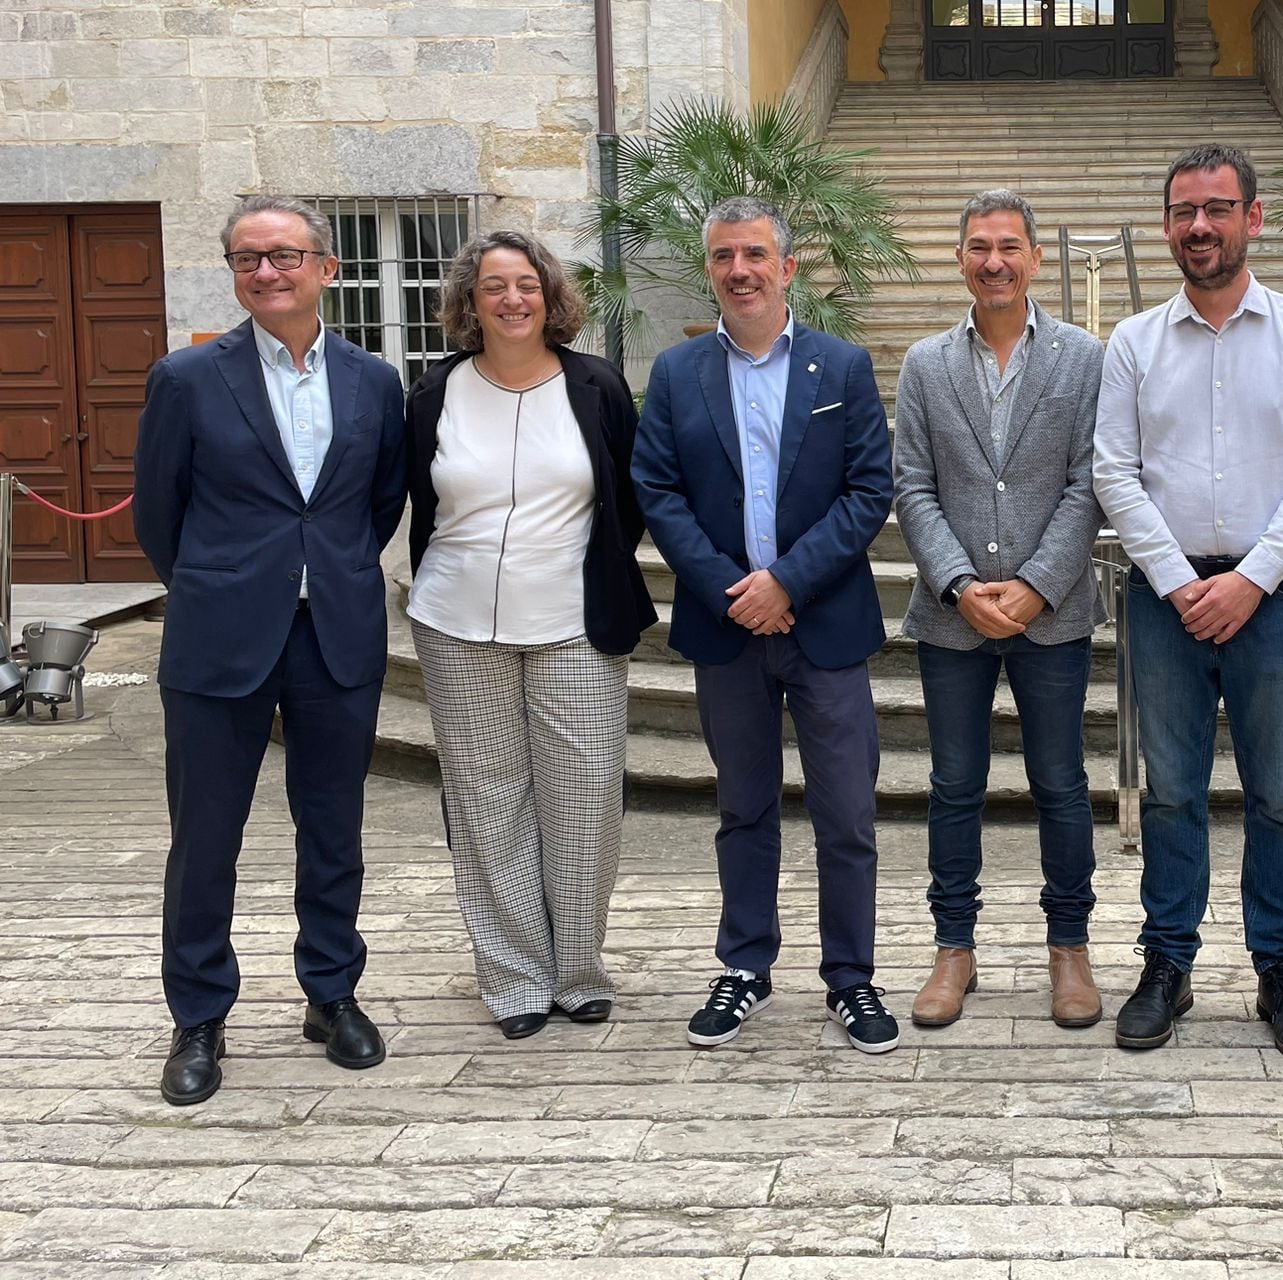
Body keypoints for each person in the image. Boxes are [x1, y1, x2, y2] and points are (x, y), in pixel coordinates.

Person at [133, 195, 406, 1105]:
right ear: (234, 274)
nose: (267, 273)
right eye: (249, 260)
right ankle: (200, 1014)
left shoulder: (373, 381)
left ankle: (332, 994)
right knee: (204, 837)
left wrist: (321, 572)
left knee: (334, 830)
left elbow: (376, 505)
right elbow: (157, 517)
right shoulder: (185, 378)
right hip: (219, 642)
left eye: (286, 256)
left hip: (334, 634)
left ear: (325, 268)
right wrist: (226, 583)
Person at [1092, 144, 1283, 1063]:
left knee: (1279, 794)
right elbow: (1113, 472)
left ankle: (1281, 970)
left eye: (1217, 208)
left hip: (1271, 596)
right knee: (1170, 797)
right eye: (1183, 212)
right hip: (1165, 601)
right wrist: (1176, 580)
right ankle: (1168, 962)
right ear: (1167, 225)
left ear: (1254, 216)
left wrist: (1251, 580)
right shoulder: (1131, 343)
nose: (1199, 227)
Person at [631, 196, 899, 1053]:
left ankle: (850, 980)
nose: (739, 270)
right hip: (727, 632)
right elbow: (659, 493)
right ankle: (744, 967)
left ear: (786, 267)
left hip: (823, 627)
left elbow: (868, 491)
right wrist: (731, 590)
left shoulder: (842, 367)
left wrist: (786, 581)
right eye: (723, 257)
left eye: (754, 254)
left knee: (847, 816)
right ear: (710, 270)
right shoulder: (677, 374)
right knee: (743, 810)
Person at [403, 231, 655, 1040]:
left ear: (550, 297)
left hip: (575, 620)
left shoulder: (597, 385)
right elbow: (414, 498)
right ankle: (514, 977)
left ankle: (578, 970)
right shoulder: (435, 393)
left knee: (584, 800)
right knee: (486, 801)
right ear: (468, 303)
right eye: (492, 287)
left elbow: (628, 491)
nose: (512, 300)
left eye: (526, 285)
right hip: (457, 620)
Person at [894, 189, 1106, 1029]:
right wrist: (956, 582)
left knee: (1060, 784)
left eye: (1010, 246)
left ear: (1036, 258)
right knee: (954, 785)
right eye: (979, 246)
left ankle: (1070, 949)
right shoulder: (924, 364)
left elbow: (1092, 480)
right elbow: (911, 485)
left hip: (1051, 616)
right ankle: (954, 948)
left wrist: (1038, 583)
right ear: (959, 260)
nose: (994, 261)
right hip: (952, 616)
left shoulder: (1084, 358)